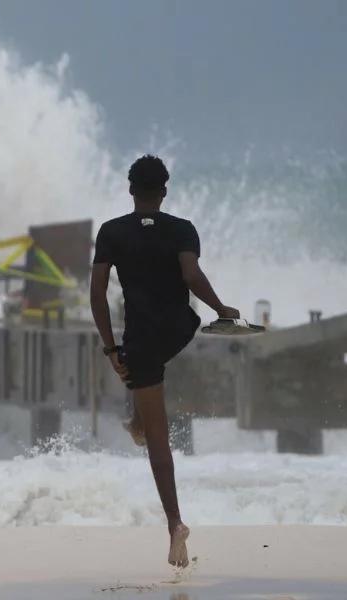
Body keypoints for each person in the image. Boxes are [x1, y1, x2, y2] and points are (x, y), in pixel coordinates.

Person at [89, 155, 239, 568]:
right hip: (180, 329)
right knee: (147, 383)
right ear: (164, 191)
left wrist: (109, 348)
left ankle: (175, 524)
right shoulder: (182, 229)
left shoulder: (111, 232)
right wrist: (222, 308)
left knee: (158, 436)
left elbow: (97, 294)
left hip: (140, 341)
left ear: (131, 189)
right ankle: (137, 418)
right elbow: (191, 276)